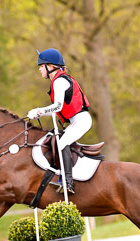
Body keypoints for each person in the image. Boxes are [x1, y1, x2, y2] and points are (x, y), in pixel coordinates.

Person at [27, 48, 92, 195]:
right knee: (56, 141)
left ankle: (68, 182)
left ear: (50, 67)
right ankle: (61, 176)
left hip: (81, 120)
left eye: (41, 66)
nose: (39, 70)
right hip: (76, 120)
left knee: (62, 143)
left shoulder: (60, 82)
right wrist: (40, 114)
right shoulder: (58, 80)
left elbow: (58, 106)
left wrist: (39, 111)